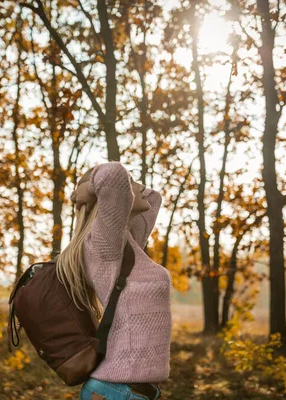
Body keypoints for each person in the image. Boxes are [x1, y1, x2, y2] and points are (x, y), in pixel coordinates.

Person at [56, 162, 171, 400]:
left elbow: (154, 198)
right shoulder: (103, 243)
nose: (140, 186)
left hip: (130, 392)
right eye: (130, 182)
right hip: (115, 391)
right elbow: (112, 174)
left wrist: (126, 187)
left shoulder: (125, 244)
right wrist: (87, 189)